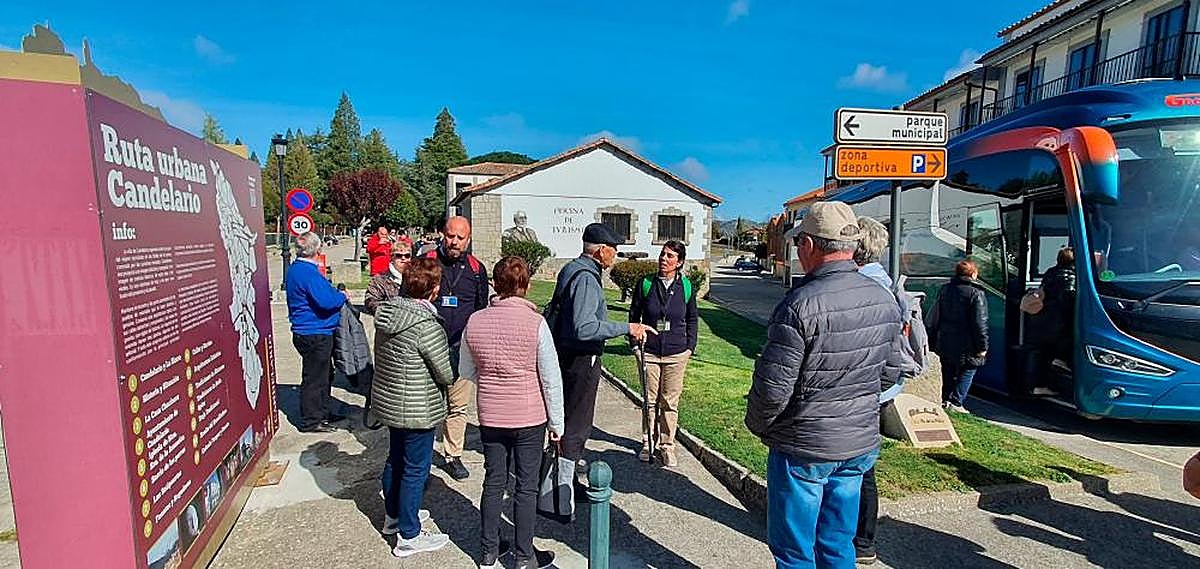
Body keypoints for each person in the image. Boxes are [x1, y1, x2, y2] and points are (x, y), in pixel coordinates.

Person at [744, 201, 902, 569]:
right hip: (856, 442)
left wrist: (759, 425)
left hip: (806, 445)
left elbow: (773, 389)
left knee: (795, 551)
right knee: (837, 543)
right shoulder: (883, 296)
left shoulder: (800, 303)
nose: (798, 249)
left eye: (799, 241)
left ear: (810, 245)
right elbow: (891, 372)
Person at [459, 257, 564, 569]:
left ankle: (489, 551)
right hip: (529, 414)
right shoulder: (536, 324)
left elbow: (466, 369)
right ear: (527, 286)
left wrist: (494, 379)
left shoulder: (475, 321)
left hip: (491, 413)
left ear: (495, 284)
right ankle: (523, 555)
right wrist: (557, 423)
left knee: (493, 481)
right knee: (525, 487)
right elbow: (550, 378)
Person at [549, 223, 655, 484]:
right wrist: (627, 327)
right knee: (578, 422)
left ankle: (562, 477)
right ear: (601, 251)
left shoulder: (572, 268)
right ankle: (565, 488)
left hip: (565, 353)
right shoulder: (586, 278)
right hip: (581, 358)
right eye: (614, 250)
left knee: (566, 418)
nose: (615, 255)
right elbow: (584, 327)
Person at [369, 258, 455, 558]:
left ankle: (393, 517)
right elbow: (445, 372)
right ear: (433, 290)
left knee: (395, 459)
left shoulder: (388, 313)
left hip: (392, 401)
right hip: (418, 405)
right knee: (415, 469)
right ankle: (409, 534)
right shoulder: (425, 325)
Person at [851, 216, 912, 566]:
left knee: (858, 469)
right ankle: (863, 541)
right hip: (878, 391)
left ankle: (860, 539)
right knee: (863, 466)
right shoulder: (886, 283)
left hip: (863, 392)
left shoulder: (865, 286)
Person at [424, 216, 490, 481]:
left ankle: (453, 455)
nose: (454, 241)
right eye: (450, 236)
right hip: (428, 349)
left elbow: (480, 309)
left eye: (460, 238)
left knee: (457, 407)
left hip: (461, 350)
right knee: (428, 406)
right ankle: (422, 460)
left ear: (468, 239)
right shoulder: (427, 261)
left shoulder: (476, 268)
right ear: (443, 234)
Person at [628, 240, 698, 467]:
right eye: (662, 254)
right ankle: (648, 442)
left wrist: (690, 347)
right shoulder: (646, 283)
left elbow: (692, 319)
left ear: (679, 262)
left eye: (669, 256)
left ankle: (667, 446)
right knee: (649, 401)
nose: (663, 259)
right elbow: (634, 315)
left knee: (669, 402)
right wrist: (634, 346)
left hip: (677, 353)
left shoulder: (686, 287)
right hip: (648, 351)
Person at [285, 232, 349, 433]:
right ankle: (312, 420)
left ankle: (322, 412)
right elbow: (326, 301)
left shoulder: (296, 269)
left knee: (324, 375)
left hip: (307, 330)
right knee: (315, 378)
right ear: (318, 249)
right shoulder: (309, 273)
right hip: (315, 331)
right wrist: (341, 296)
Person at [928, 259, 989, 414]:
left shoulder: (945, 289)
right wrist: (982, 347)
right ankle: (956, 402)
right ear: (974, 274)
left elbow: (935, 316)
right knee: (968, 369)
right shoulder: (976, 293)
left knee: (947, 369)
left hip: (946, 338)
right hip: (967, 342)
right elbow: (979, 324)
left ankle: (945, 399)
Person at [1038, 247, 1077, 374]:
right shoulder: (1071, 277)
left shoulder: (1050, 272)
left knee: (1045, 353)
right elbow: (1068, 300)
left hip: (1045, 318)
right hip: (1062, 321)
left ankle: (1040, 386)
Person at [365, 239, 414, 315]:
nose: (403, 258)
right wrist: (391, 311)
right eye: (399, 255)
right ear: (392, 257)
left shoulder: (417, 276)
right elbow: (370, 301)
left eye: (407, 256)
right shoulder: (380, 279)